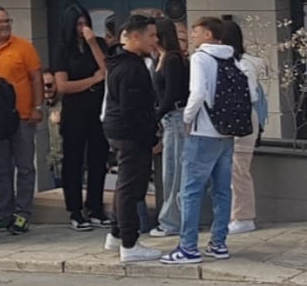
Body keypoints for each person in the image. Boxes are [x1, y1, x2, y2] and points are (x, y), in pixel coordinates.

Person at [161, 17, 239, 265]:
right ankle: (218, 243)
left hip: (203, 130)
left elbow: (198, 92)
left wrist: (187, 117)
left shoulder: (200, 58)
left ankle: (188, 247)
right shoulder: (231, 57)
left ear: (208, 35)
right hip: (226, 132)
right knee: (222, 190)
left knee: (190, 192)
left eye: (195, 32)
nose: (192, 37)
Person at [102, 16, 161, 263]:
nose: (155, 40)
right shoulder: (130, 68)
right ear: (135, 37)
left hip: (120, 130)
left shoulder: (122, 62)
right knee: (130, 188)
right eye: (151, 36)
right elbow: (132, 110)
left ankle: (117, 234)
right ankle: (129, 242)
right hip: (130, 135)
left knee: (125, 185)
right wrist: (149, 136)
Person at [0, 5, 43, 234]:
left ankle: (23, 214)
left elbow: (36, 77)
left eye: (8, 21)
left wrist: (37, 107)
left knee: (25, 167)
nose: (5, 25)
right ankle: (5, 212)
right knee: (1, 168)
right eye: (0, 22)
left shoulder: (24, 47)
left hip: (23, 116)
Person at [53, 6, 109, 231]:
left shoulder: (97, 44)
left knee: (98, 159)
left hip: (98, 109)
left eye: (85, 23)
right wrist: (92, 81)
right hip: (75, 109)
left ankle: (95, 206)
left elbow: (106, 70)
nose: (82, 28)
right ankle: (75, 210)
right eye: (78, 24)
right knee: (74, 161)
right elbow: (63, 85)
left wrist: (93, 42)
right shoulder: (63, 50)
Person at [220, 20, 263, 236]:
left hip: (243, 118)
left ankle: (244, 216)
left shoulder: (245, 64)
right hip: (230, 119)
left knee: (239, 169)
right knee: (230, 169)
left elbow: (250, 94)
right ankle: (235, 214)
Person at [149, 18, 189, 238]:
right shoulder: (160, 58)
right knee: (170, 172)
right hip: (169, 119)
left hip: (174, 117)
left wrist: (154, 116)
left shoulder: (173, 59)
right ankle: (173, 219)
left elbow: (171, 94)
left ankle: (171, 222)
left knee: (173, 173)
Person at [41, 71, 63, 188]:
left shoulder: (65, 105)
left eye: (49, 85)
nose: (45, 88)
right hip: (54, 165)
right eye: (42, 85)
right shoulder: (47, 107)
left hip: (66, 164)